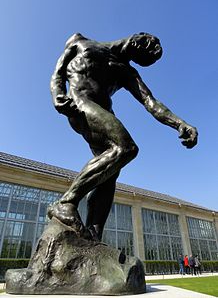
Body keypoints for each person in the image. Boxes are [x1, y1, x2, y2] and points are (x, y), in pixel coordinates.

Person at [49, 32, 198, 241]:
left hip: (103, 114)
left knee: (110, 175)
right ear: (138, 38)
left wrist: (180, 123)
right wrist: (57, 94)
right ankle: (66, 203)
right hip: (80, 105)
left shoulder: (127, 71)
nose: (142, 52)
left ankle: (93, 235)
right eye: (145, 48)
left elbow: (151, 103)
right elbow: (59, 71)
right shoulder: (80, 42)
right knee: (126, 148)